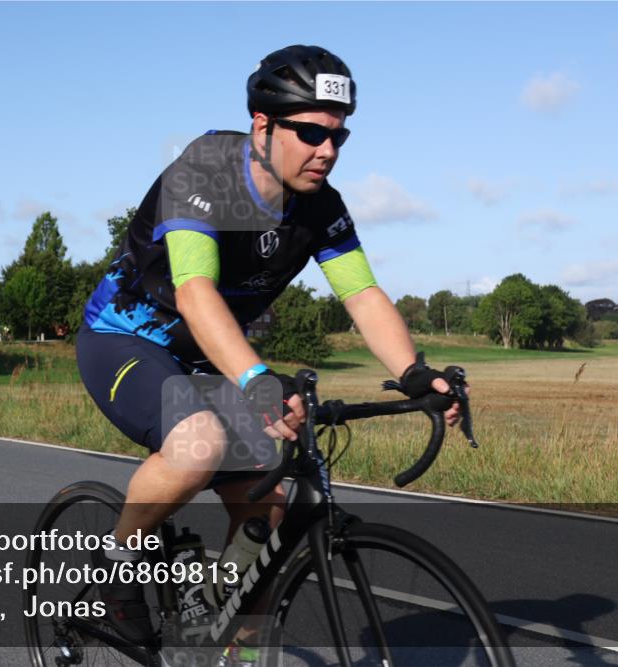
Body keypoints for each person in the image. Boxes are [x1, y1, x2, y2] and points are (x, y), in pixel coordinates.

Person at [76, 44, 465, 663]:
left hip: (209, 357)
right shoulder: (205, 171)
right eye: (311, 133)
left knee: (269, 513)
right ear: (263, 124)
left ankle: (217, 634)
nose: (327, 151)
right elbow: (195, 291)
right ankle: (114, 566)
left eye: (339, 136)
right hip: (127, 338)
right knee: (198, 443)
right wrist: (258, 380)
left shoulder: (319, 204)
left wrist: (415, 373)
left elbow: (362, 294)